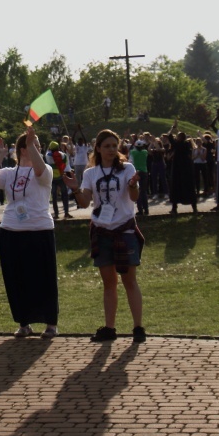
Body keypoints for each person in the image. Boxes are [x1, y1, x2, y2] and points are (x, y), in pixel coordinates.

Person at [63, 129, 146, 343]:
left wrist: (133, 184)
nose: (111, 150)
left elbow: (134, 197)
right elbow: (85, 202)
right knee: (109, 283)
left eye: (114, 146)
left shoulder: (127, 169)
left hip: (124, 231)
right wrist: (74, 189)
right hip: (102, 231)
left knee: (129, 280)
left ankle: (138, 328)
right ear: (97, 148)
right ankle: (110, 328)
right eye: (106, 146)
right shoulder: (91, 173)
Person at [0, 127, 58, 339]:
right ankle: (24, 323)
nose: (36, 148)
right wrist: (0, 155)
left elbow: (40, 171)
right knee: (17, 279)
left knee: (44, 278)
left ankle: (50, 323)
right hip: (11, 231)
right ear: (21, 150)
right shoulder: (9, 173)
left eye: (37, 145)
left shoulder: (45, 170)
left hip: (39, 230)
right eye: (30, 145)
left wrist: (31, 143)